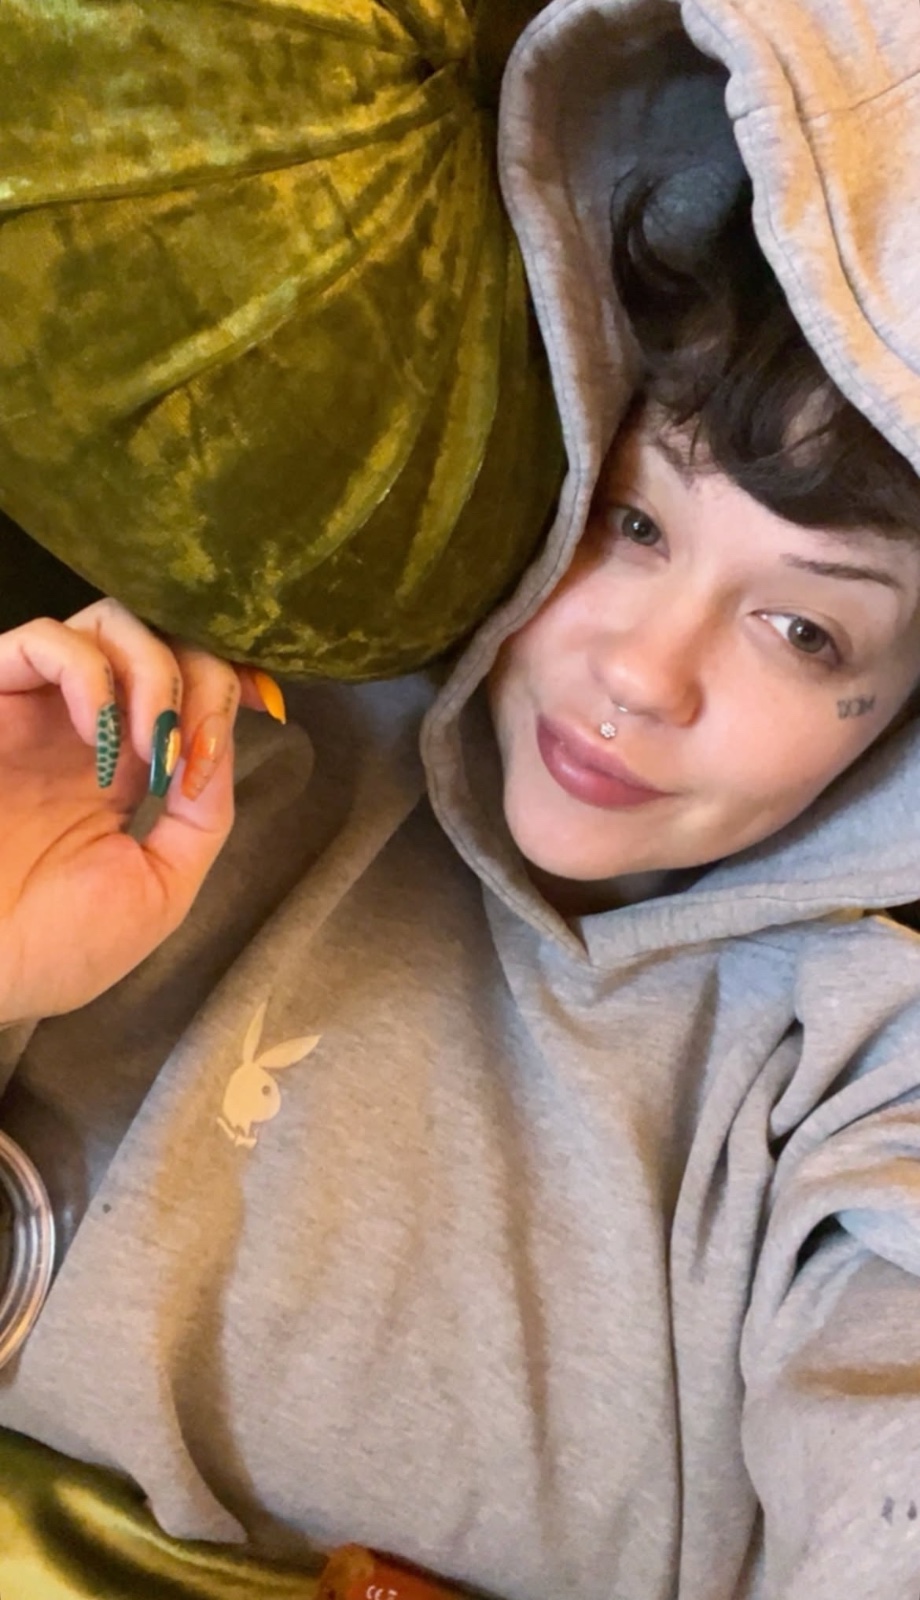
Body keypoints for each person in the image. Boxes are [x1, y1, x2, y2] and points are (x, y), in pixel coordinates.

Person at [3, 2, 920, 1598]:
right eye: (635, 522)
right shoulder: (189, 749)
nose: (643, 674)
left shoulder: (847, 1081)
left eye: (803, 630)